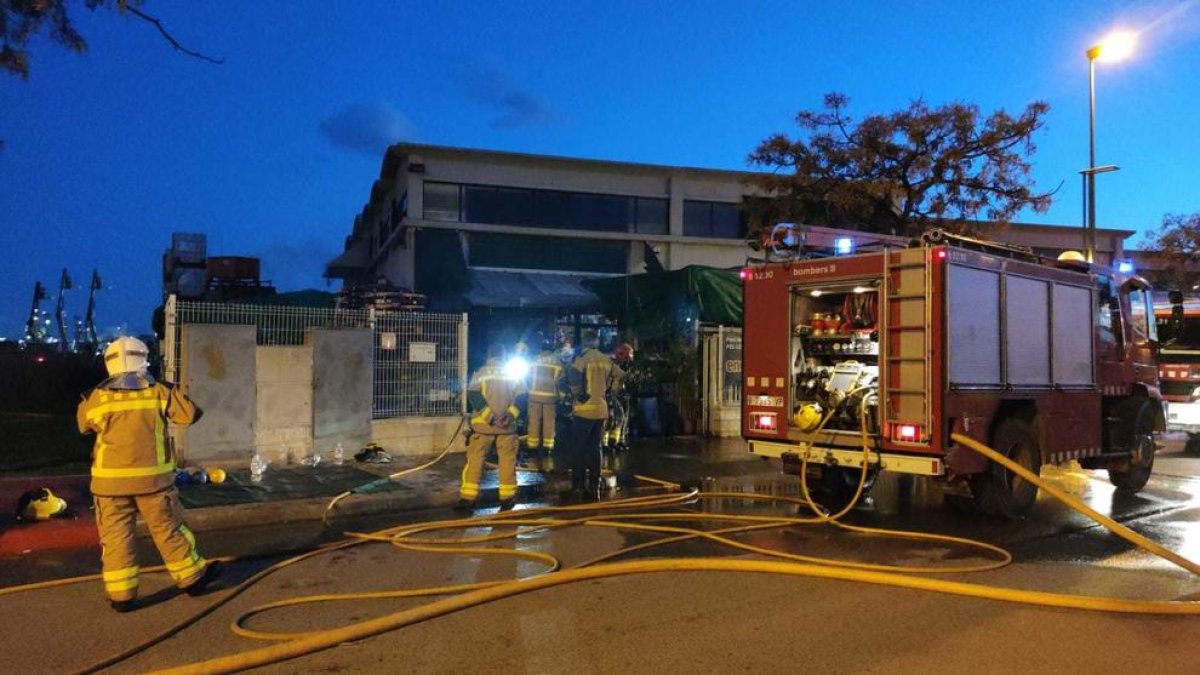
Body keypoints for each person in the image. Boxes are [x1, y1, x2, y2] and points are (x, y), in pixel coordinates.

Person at [77, 336, 218, 612]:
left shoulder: (98, 396)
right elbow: (189, 415)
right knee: (169, 531)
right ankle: (192, 579)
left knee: (116, 539)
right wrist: (170, 388)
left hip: (109, 487)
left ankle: (122, 596)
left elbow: (83, 425)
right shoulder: (158, 392)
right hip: (154, 483)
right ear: (143, 359)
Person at [459, 343, 525, 509]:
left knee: (475, 460)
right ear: (504, 356)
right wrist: (508, 416)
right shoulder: (514, 374)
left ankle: (468, 498)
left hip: (483, 427)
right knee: (507, 461)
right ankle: (507, 498)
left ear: (489, 356)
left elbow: (474, 395)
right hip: (507, 428)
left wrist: (490, 418)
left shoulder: (481, 372)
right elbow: (523, 398)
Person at [566, 345, 624, 498]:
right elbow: (620, 374)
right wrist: (612, 390)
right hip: (600, 411)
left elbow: (573, 374)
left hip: (584, 411)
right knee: (594, 449)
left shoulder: (583, 358)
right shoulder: (606, 359)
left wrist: (577, 393)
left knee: (578, 450)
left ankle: (578, 488)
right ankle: (594, 489)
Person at [526, 339, 565, 465]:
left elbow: (526, 376)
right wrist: (562, 396)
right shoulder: (557, 362)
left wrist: (528, 390)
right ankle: (548, 447)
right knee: (549, 422)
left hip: (534, 396)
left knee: (534, 421)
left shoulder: (533, 359)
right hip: (550, 397)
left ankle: (532, 446)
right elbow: (562, 381)